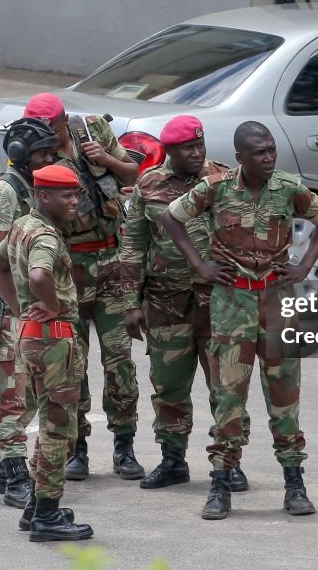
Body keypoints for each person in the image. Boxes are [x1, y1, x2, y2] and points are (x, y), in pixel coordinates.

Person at [161, 120, 318, 520]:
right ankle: (220, 485)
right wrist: (199, 264)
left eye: (271, 149)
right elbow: (172, 217)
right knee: (228, 397)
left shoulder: (288, 188)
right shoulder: (216, 187)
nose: (269, 157)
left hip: (276, 299)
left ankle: (294, 484)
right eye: (260, 152)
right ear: (241, 157)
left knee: (284, 394)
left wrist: (306, 263)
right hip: (232, 301)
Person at [118, 115, 250, 491]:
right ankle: (173, 459)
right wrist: (131, 302)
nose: (196, 153)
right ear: (170, 151)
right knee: (169, 385)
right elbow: (133, 245)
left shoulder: (225, 180)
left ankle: (229, 461)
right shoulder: (149, 184)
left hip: (219, 303)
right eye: (187, 148)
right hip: (165, 302)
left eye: (200, 145)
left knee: (226, 386)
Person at [22, 93, 144, 481]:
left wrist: (105, 160)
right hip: (68, 269)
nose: (44, 137)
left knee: (120, 360)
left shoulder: (92, 128)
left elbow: (133, 176)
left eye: (49, 130)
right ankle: (78, 450)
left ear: (62, 122)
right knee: (72, 365)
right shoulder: (37, 158)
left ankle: (124, 446)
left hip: (109, 262)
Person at [0, 163, 93, 542]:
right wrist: (48, 303)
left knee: (50, 420)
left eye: (76, 193)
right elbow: (38, 275)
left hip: (30, 337)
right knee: (58, 428)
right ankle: (48, 515)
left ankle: (35, 505)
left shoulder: (21, 226)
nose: (74, 201)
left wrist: (19, 309)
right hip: (54, 339)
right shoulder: (46, 237)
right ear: (43, 196)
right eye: (66, 195)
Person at [0, 118, 59, 507]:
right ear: (19, 156)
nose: (50, 159)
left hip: (22, 306)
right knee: (13, 396)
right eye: (42, 154)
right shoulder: (5, 194)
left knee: (26, 391)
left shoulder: (31, 190)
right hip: (6, 309)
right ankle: (17, 475)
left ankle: (3, 469)